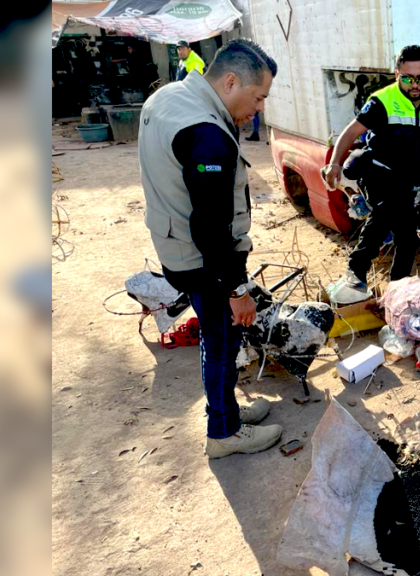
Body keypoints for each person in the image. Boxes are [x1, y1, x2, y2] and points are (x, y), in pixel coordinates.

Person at [139, 39, 281, 459]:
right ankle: (223, 432)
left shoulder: (170, 95)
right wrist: (237, 291)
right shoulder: (208, 137)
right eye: (258, 98)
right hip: (201, 260)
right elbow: (212, 230)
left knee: (216, 339)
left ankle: (227, 409)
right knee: (221, 343)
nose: (258, 109)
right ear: (230, 81)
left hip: (173, 246)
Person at [321, 45, 420, 304]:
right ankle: (355, 272)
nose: (415, 84)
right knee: (386, 210)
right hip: (377, 170)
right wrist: (334, 163)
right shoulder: (382, 101)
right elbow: (351, 132)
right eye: (408, 78)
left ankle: (397, 289)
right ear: (397, 74)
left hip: (405, 183)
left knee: (408, 238)